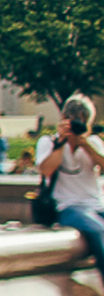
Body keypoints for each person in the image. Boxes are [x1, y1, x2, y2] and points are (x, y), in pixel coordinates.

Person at [38, 96, 104, 280]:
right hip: (67, 206)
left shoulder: (93, 143)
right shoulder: (48, 142)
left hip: (96, 204)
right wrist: (61, 143)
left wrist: (85, 145)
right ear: (64, 119)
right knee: (97, 229)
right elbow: (46, 170)